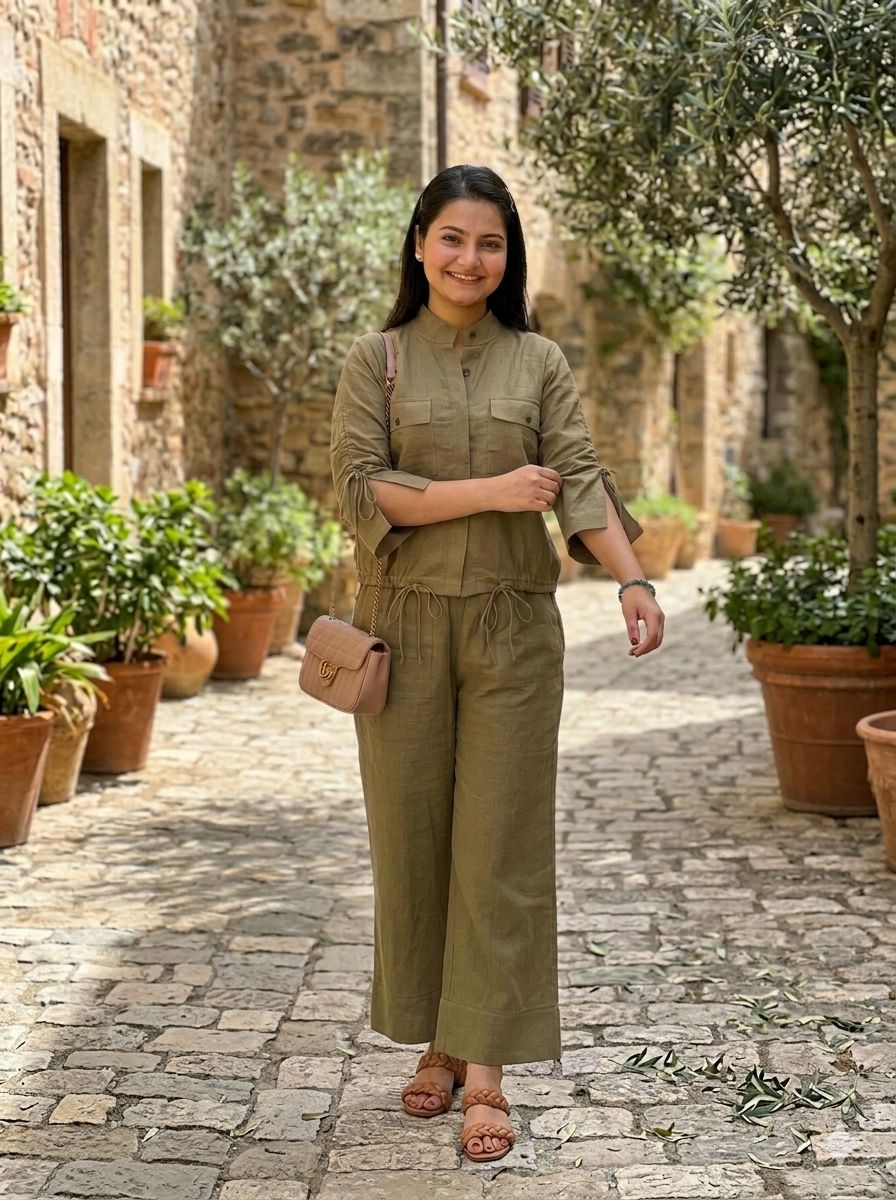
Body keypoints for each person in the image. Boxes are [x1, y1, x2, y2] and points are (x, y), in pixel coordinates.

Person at [330, 164, 664, 1163]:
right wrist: (491, 490)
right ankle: (436, 1039)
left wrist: (633, 579)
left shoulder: (538, 360)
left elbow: (579, 479)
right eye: (453, 238)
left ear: (507, 257)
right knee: (414, 842)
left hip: (515, 630)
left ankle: (483, 1071)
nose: (470, 259)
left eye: (490, 243)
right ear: (418, 243)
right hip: (403, 628)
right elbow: (363, 491)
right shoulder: (377, 358)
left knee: (499, 847)